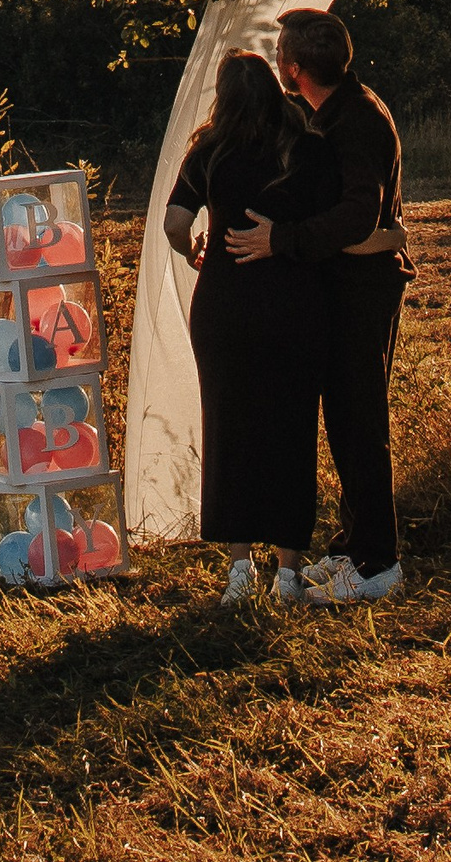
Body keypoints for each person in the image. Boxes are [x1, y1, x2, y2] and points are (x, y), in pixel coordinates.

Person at [222, 5, 409, 604]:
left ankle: (378, 562)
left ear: (295, 67)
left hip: (363, 290)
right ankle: (354, 545)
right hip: (344, 286)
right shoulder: (331, 112)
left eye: (281, 53)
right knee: (344, 419)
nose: (277, 62)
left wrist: (284, 240)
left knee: (359, 424)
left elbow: (360, 216)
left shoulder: (356, 123)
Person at [163, 49, 335, 602]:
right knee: (290, 430)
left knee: (229, 428)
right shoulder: (303, 145)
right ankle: (288, 570)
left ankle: (240, 568)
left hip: (225, 307)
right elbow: (330, 217)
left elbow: (175, 221)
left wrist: (194, 249)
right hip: (292, 303)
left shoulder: (209, 150)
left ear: (224, 96)